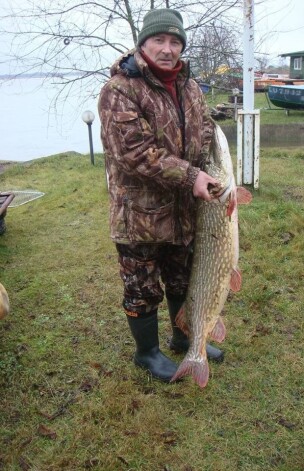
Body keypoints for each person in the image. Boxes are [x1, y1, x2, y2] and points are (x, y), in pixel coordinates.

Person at [98, 8, 227, 382]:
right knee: (142, 287)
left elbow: (204, 131)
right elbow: (134, 153)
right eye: (159, 40)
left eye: (175, 41)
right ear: (143, 44)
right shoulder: (119, 90)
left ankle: (182, 337)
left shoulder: (188, 86)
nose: (168, 49)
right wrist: (191, 175)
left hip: (185, 208)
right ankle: (147, 353)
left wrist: (210, 176)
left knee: (182, 279)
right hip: (139, 214)